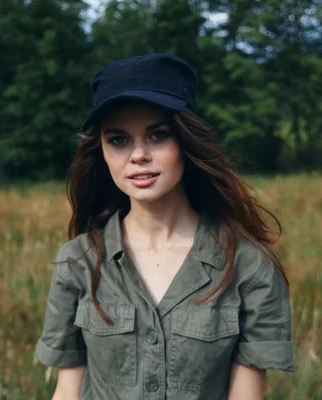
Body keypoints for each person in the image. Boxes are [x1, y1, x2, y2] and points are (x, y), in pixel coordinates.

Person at [35, 53, 294, 399]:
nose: (138, 155)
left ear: (186, 141)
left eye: (157, 135)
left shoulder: (249, 264)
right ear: (102, 150)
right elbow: (67, 390)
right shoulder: (77, 262)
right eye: (119, 139)